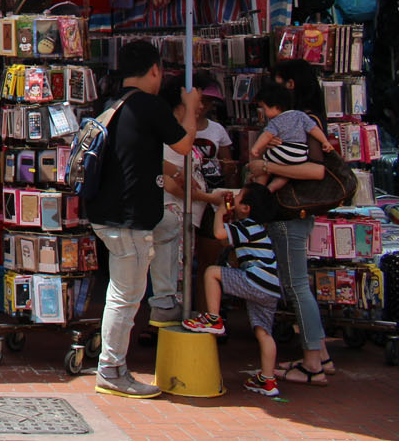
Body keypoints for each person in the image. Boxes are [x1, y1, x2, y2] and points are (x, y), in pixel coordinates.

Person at [86, 41, 197, 398]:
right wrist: (191, 108)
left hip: (109, 214)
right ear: (155, 70)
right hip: (127, 219)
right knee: (126, 295)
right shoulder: (150, 106)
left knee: (126, 287)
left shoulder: (113, 105)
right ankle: (112, 368)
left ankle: (119, 357)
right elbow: (184, 146)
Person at [253, 63, 334, 388]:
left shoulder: (304, 120)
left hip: (292, 214)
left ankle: (313, 362)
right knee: (297, 286)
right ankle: (321, 355)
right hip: (291, 214)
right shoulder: (297, 122)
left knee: (298, 287)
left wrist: (267, 164)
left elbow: (316, 171)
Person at [181, 184, 282, 397]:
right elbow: (228, 241)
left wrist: (219, 211)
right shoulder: (256, 228)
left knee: (211, 273)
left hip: (255, 280)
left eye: (239, 197)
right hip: (270, 287)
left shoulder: (247, 226)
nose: (234, 198)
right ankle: (268, 379)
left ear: (246, 208)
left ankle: (214, 318)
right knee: (264, 332)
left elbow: (219, 234)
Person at [149, 76, 229, 325]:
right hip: (176, 211)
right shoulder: (172, 135)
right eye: (195, 100)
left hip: (184, 213)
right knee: (174, 271)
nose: (201, 105)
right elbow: (172, 185)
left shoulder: (175, 133)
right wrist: (210, 197)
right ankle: (169, 314)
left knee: (177, 270)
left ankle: (171, 313)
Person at [249, 82, 332, 193]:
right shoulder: (301, 116)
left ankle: (260, 189)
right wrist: (325, 142)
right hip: (299, 154)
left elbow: (266, 135)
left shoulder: (275, 122)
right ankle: (270, 188)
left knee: (265, 163)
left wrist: (257, 150)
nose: (263, 112)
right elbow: (314, 129)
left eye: (264, 108)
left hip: (282, 155)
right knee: (285, 173)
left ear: (276, 107)